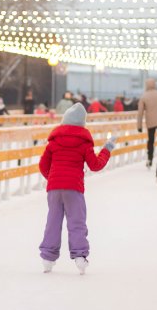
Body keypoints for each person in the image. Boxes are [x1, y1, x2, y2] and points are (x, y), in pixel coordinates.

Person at [38, 104, 114, 274]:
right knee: (76, 223)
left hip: (54, 188)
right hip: (74, 188)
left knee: (53, 221)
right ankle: (80, 256)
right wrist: (106, 150)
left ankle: (48, 258)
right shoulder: (83, 143)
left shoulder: (54, 142)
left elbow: (43, 165)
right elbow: (95, 165)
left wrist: (52, 178)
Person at [137, 78, 157, 169]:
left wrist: (139, 126)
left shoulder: (144, 96)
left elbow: (140, 112)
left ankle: (149, 159)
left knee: (151, 141)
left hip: (150, 122)